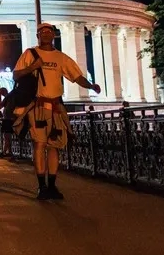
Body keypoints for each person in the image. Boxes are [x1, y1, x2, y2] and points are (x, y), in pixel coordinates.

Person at [13, 22, 101, 200]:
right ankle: (41, 186)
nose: (46, 34)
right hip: (38, 106)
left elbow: (77, 77)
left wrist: (91, 86)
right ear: (38, 35)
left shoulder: (61, 57)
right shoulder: (29, 53)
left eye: (49, 31)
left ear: (54, 35)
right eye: (42, 32)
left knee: (54, 146)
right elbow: (16, 75)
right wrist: (33, 67)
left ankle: (52, 185)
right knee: (39, 144)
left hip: (56, 107)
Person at [0, 87, 14, 158]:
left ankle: (4, 152)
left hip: (7, 119)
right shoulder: (10, 97)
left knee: (6, 137)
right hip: (10, 119)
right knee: (8, 137)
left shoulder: (7, 97)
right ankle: (9, 152)